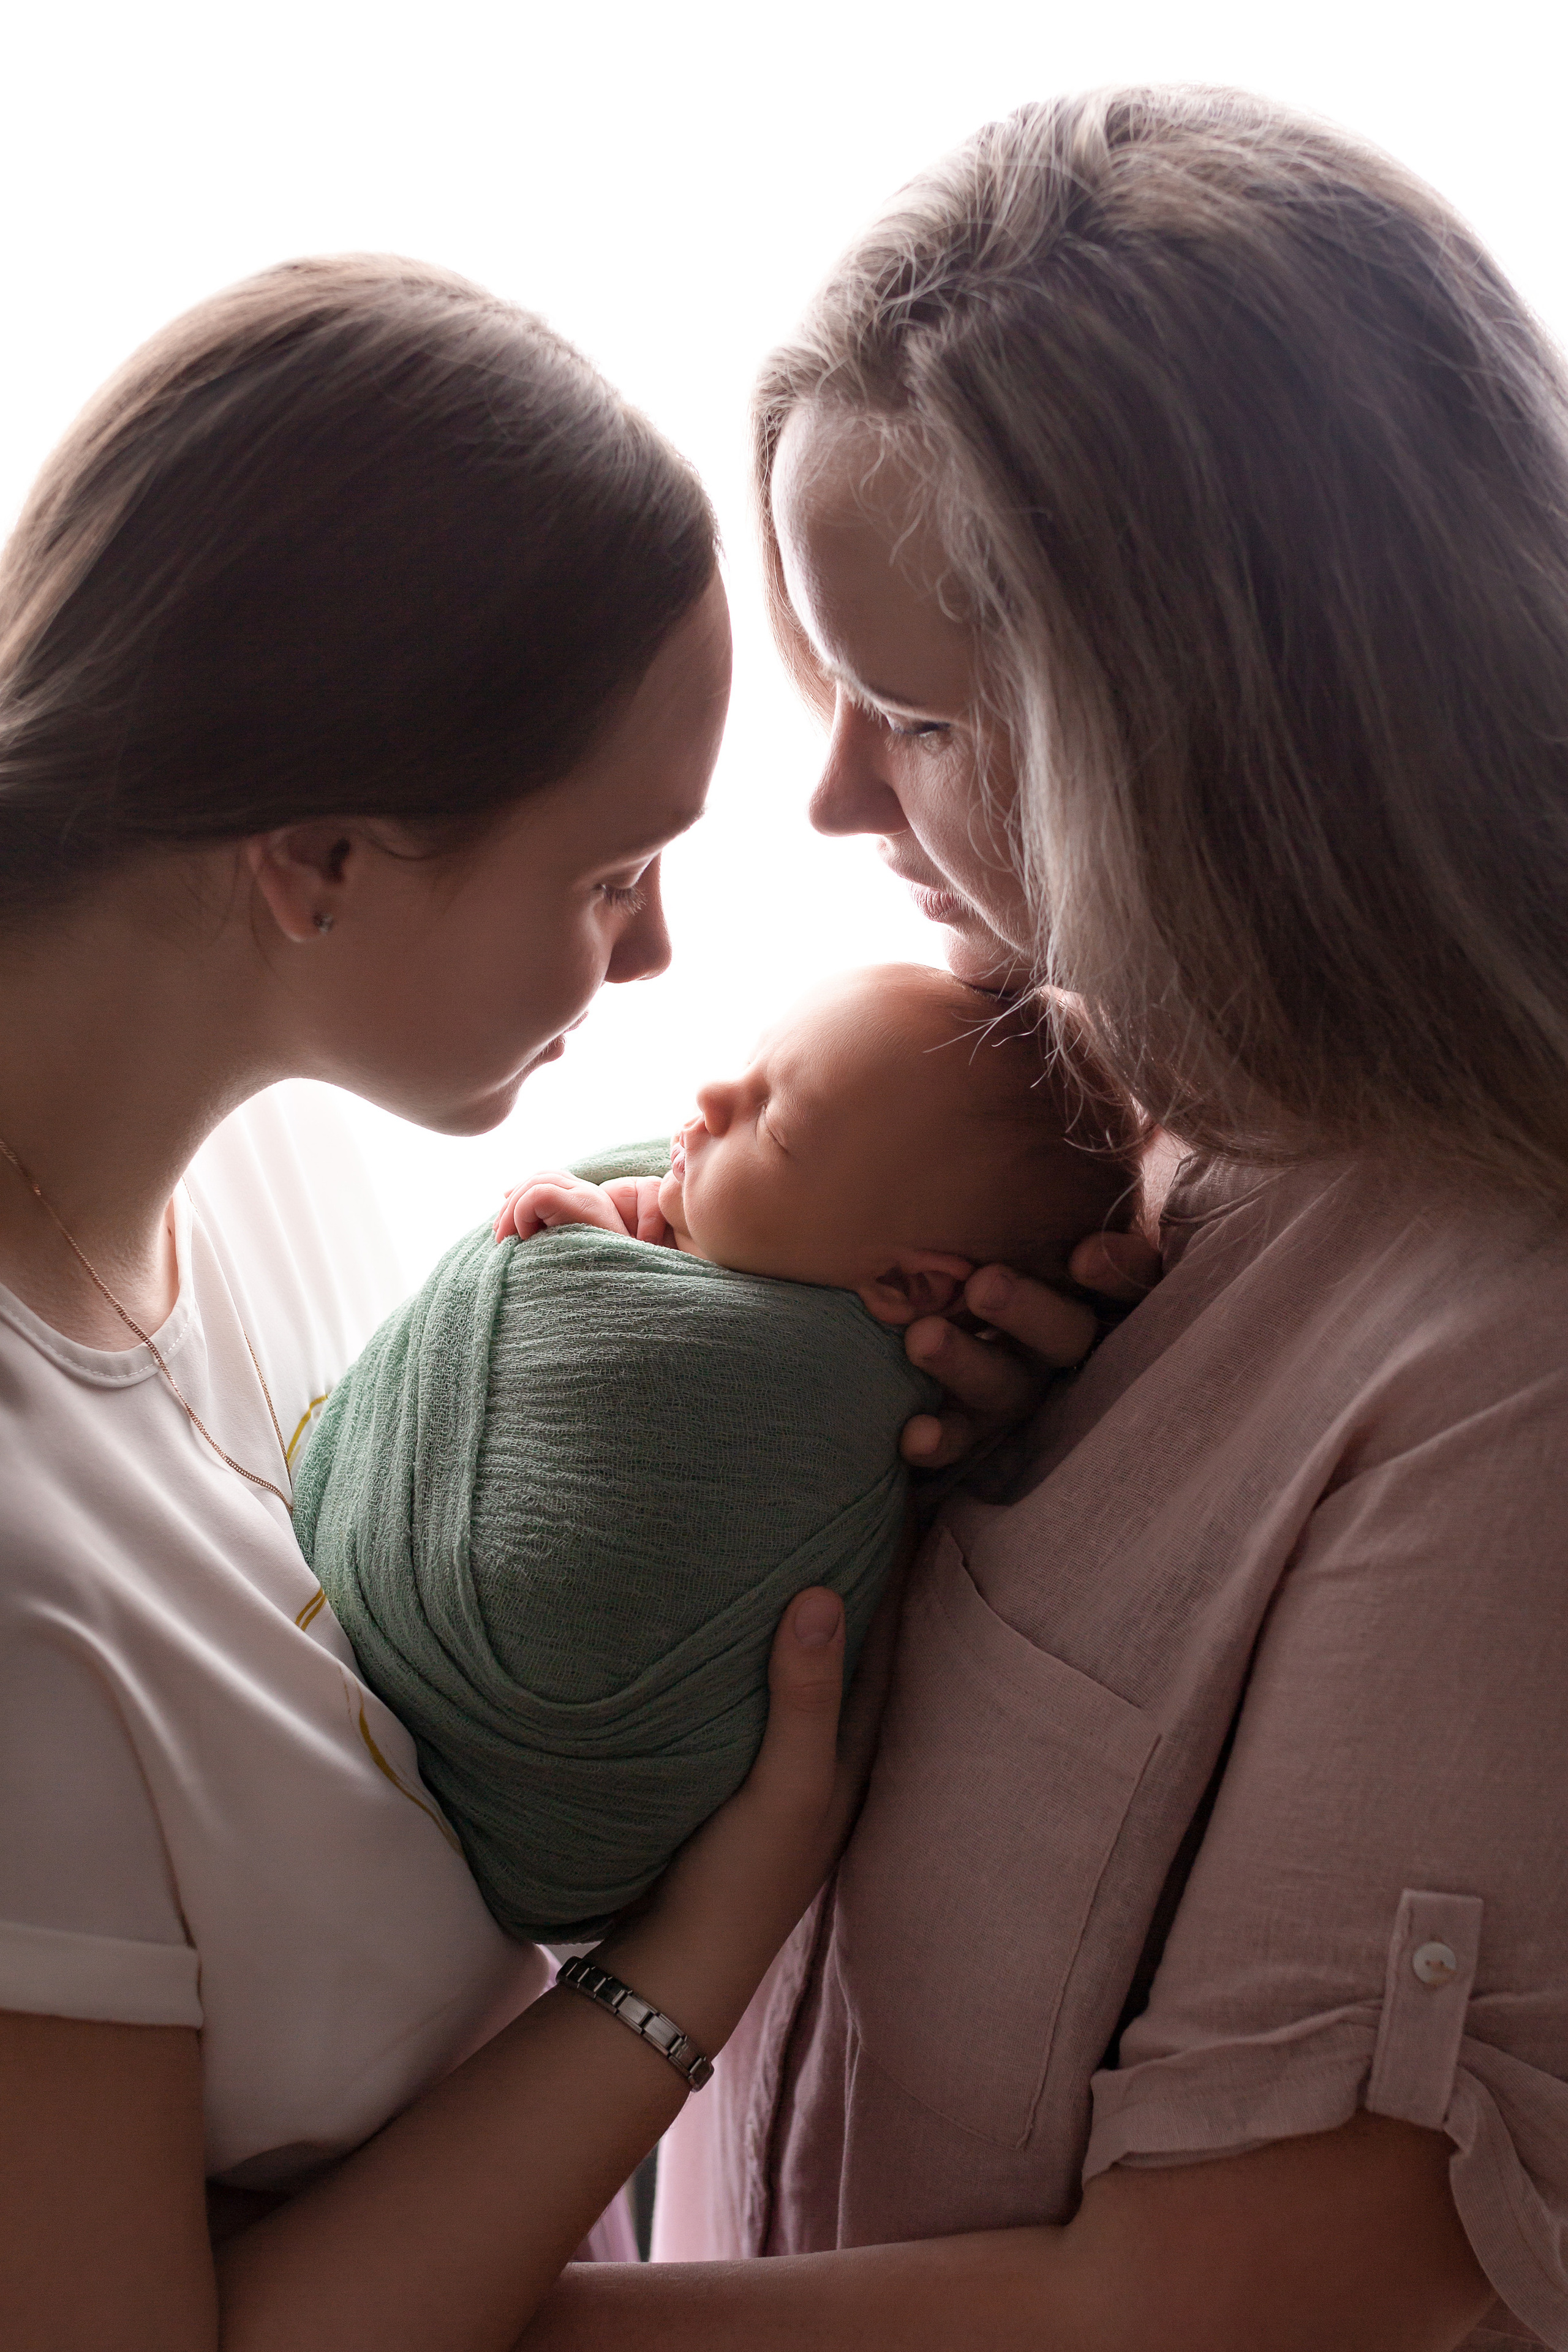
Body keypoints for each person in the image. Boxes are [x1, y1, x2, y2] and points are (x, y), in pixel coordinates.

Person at [515, 88, 1568, 2352]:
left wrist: (349, 2309)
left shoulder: (1507, 1371)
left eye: (911, 717)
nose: (828, 797)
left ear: (1222, 738)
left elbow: (1256, 2298)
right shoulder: (1075, 1153)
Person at [0, 255, 1005, 2351]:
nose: (654, 961)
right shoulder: (21, 1594)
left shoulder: (268, 1150)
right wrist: (697, 1952)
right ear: (317, 862)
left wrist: (881, 1401)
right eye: (609, 877)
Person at [293, 963, 1137, 1946]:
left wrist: (573, 1260)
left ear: (909, 1289)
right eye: (746, 1069)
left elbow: (657, 1433)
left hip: (529, 1755)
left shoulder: (804, 1395)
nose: (708, 1099)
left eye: (772, 1123)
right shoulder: (735, 1229)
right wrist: (610, 1247)